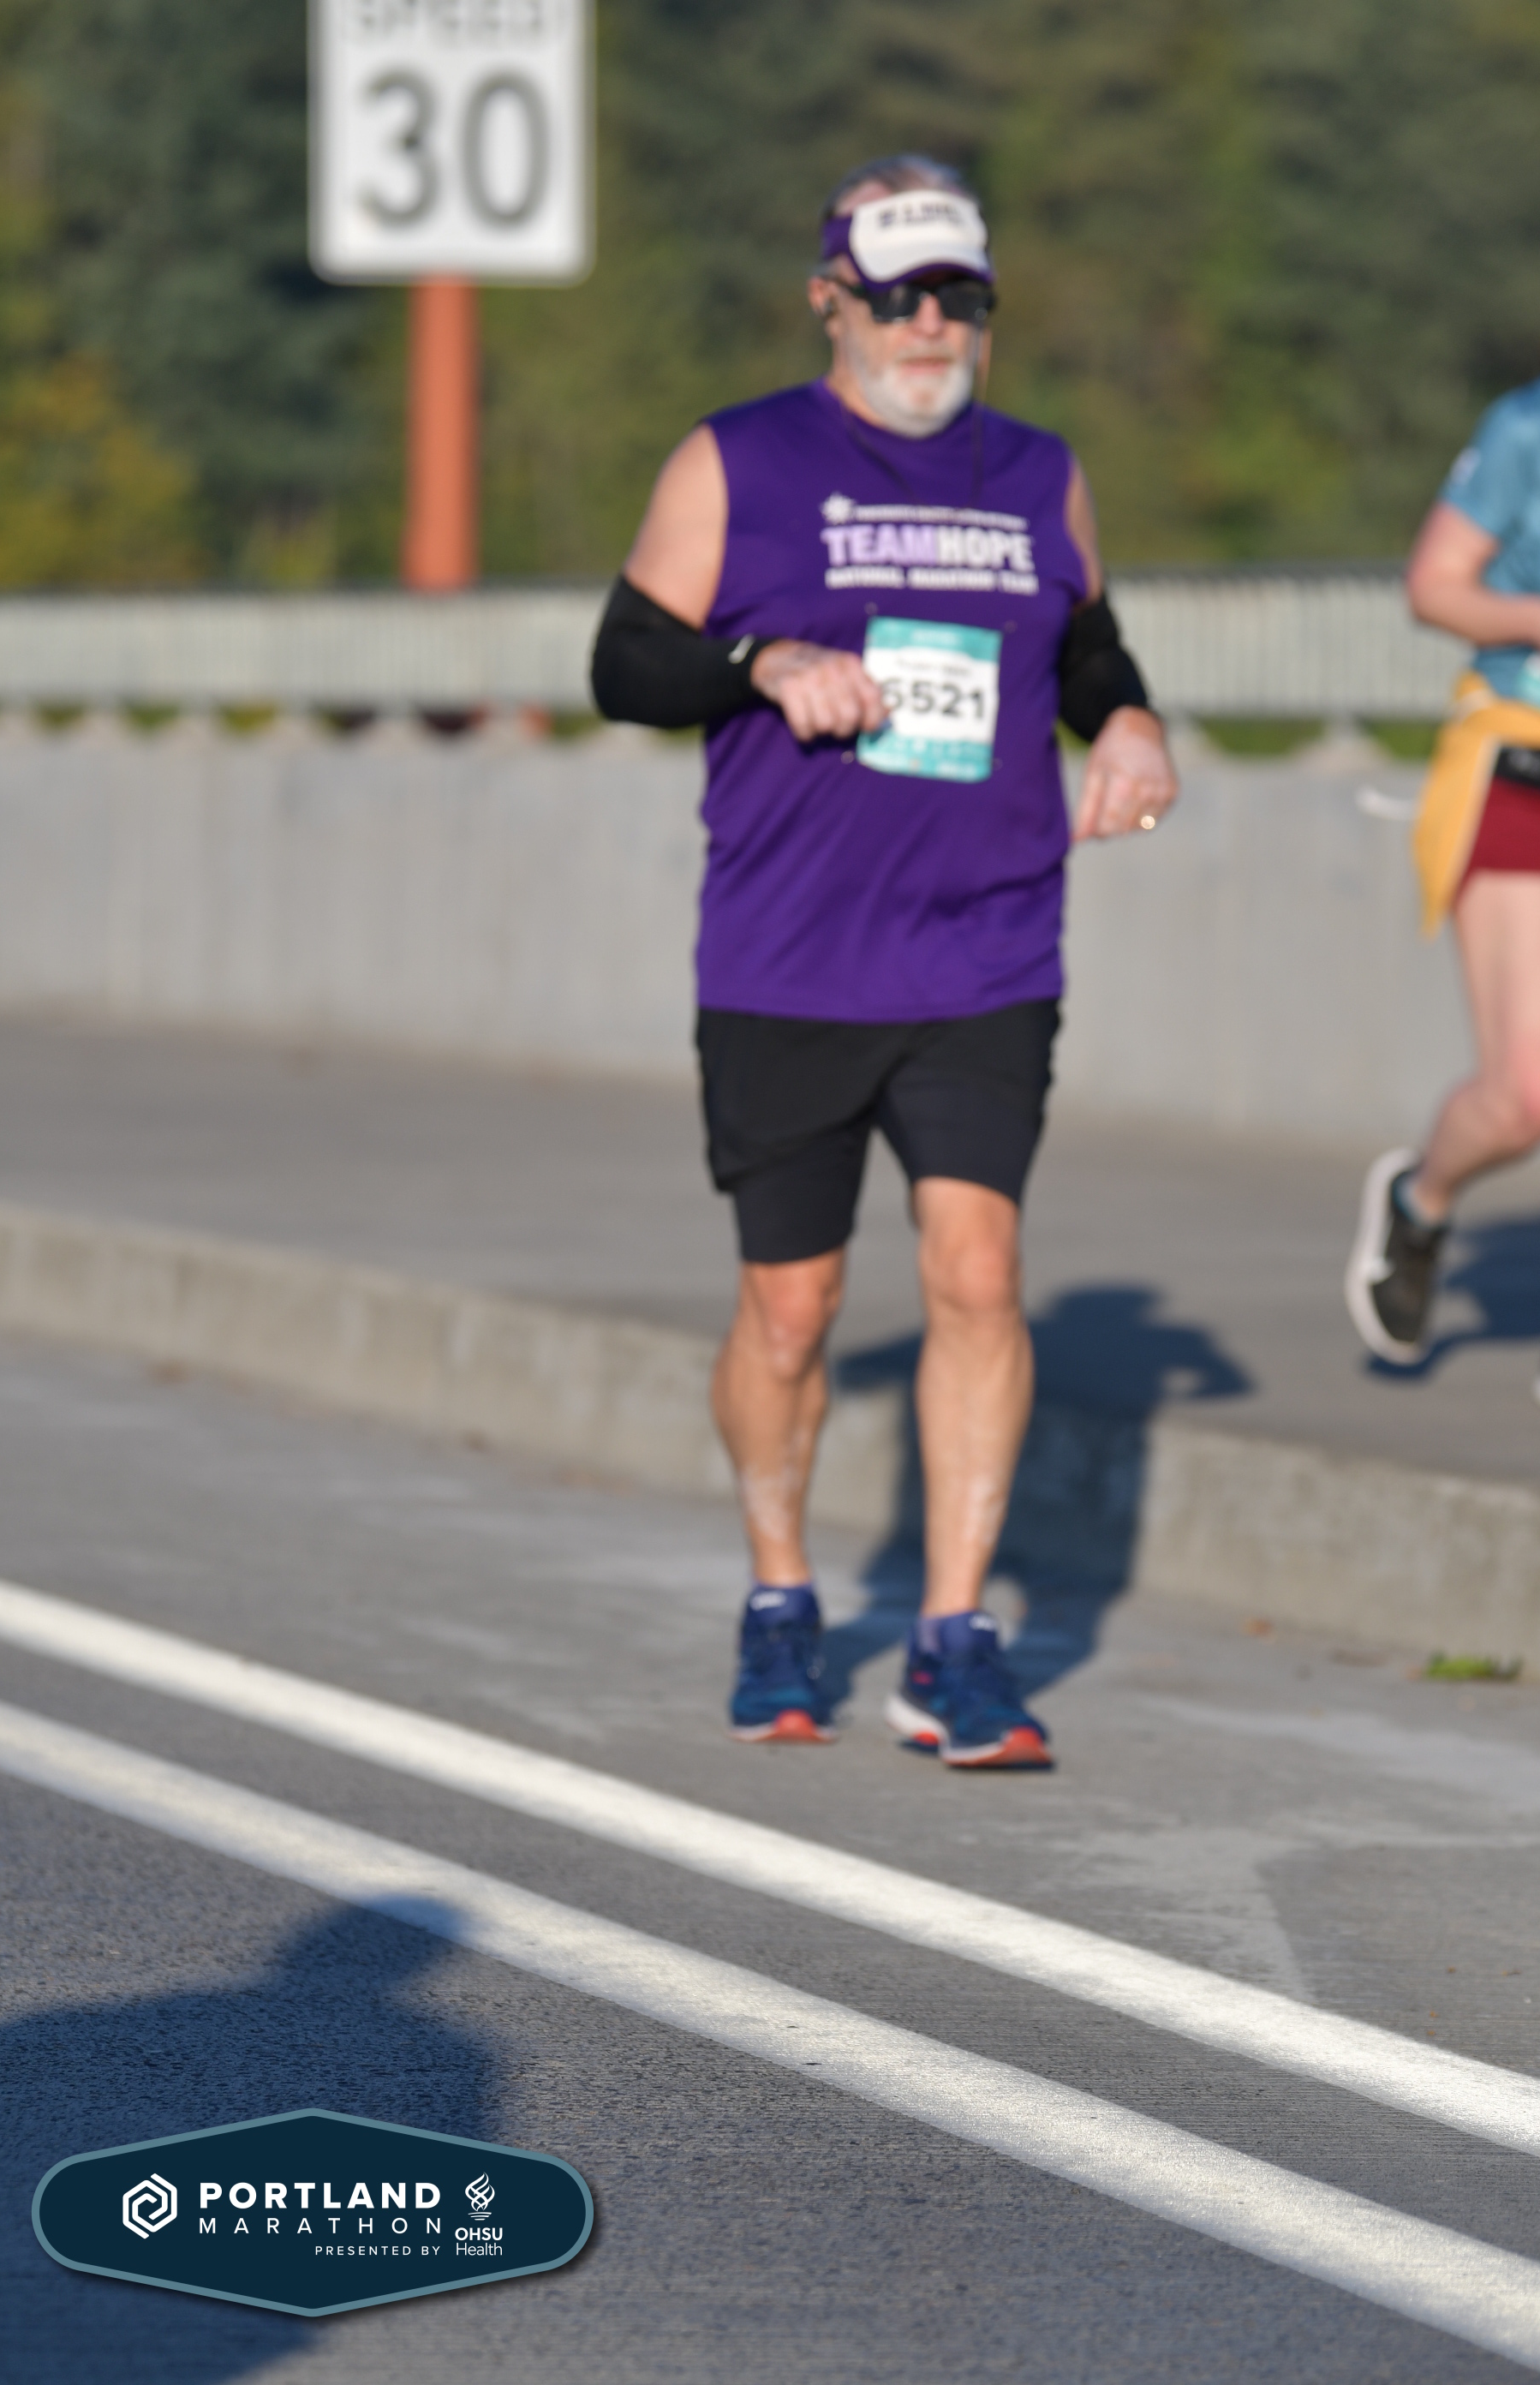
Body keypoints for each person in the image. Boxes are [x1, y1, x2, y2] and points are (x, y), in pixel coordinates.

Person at [593, 156, 1177, 1764]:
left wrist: (1128, 718)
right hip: (786, 953)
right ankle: (781, 1593)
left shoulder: (1040, 471)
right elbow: (625, 662)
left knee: (977, 1272)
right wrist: (762, 658)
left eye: (959, 298)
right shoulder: (738, 459)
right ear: (829, 302)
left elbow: (1085, 644)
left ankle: (953, 1638)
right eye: (901, 296)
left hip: (987, 942)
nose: (931, 326)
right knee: (793, 1310)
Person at [1346, 359, 1540, 1408]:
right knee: (1529, 1095)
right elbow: (1432, 583)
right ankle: (1422, 1196)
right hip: (1533, 761)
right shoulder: (1538, 423)